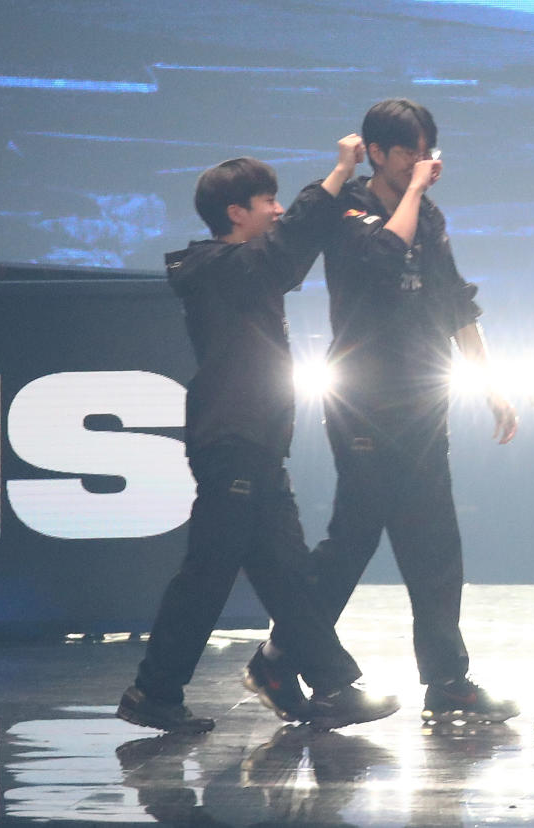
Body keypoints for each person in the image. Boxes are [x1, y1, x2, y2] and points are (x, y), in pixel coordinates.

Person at [117, 137, 400, 733]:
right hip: (233, 440)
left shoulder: (244, 269)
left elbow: (289, 254)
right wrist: (340, 171)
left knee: (287, 572)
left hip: (258, 442)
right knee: (208, 573)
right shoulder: (216, 268)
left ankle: (332, 686)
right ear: (235, 214)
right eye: (265, 201)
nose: (275, 211)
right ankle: (153, 691)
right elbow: (287, 249)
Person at [264, 99, 520, 726]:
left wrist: (489, 384)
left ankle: (447, 679)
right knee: (353, 537)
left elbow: (456, 302)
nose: (423, 161)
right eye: (409, 150)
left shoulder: (427, 215)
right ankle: (280, 653)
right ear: (377, 153)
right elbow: (380, 260)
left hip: (422, 400)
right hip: (363, 399)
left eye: (429, 148)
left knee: (435, 543)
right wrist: (410, 195)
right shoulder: (348, 211)